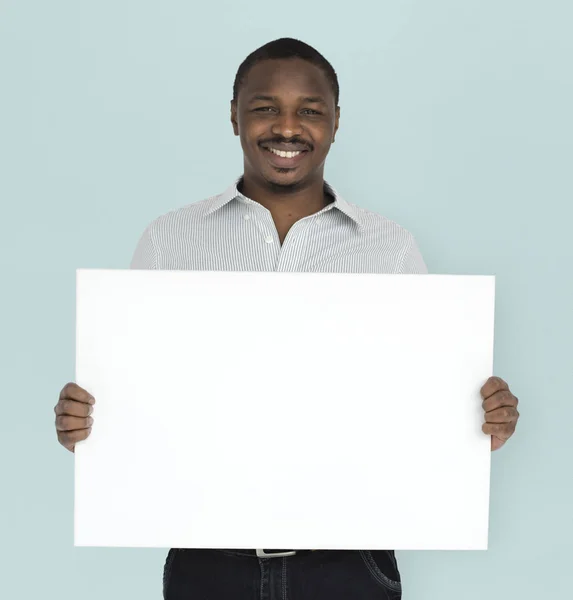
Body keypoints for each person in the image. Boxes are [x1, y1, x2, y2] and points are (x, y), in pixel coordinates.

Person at [54, 38, 520, 600]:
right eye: (265, 107)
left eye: (311, 110)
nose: (288, 127)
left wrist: (481, 424)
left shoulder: (390, 249)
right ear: (234, 115)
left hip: (350, 565)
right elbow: (134, 399)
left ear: (336, 122)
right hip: (208, 564)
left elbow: (422, 400)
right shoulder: (169, 239)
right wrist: (87, 424)